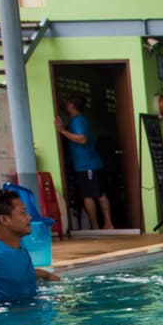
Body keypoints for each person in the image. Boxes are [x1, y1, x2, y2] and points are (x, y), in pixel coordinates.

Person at [55, 94, 115, 231]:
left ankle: (97, 226)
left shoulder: (78, 121)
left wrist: (62, 131)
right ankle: (108, 224)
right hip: (91, 164)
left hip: (86, 165)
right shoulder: (78, 119)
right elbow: (63, 107)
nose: (66, 105)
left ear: (72, 106)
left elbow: (82, 139)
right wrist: (57, 102)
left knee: (89, 195)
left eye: (68, 103)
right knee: (99, 194)